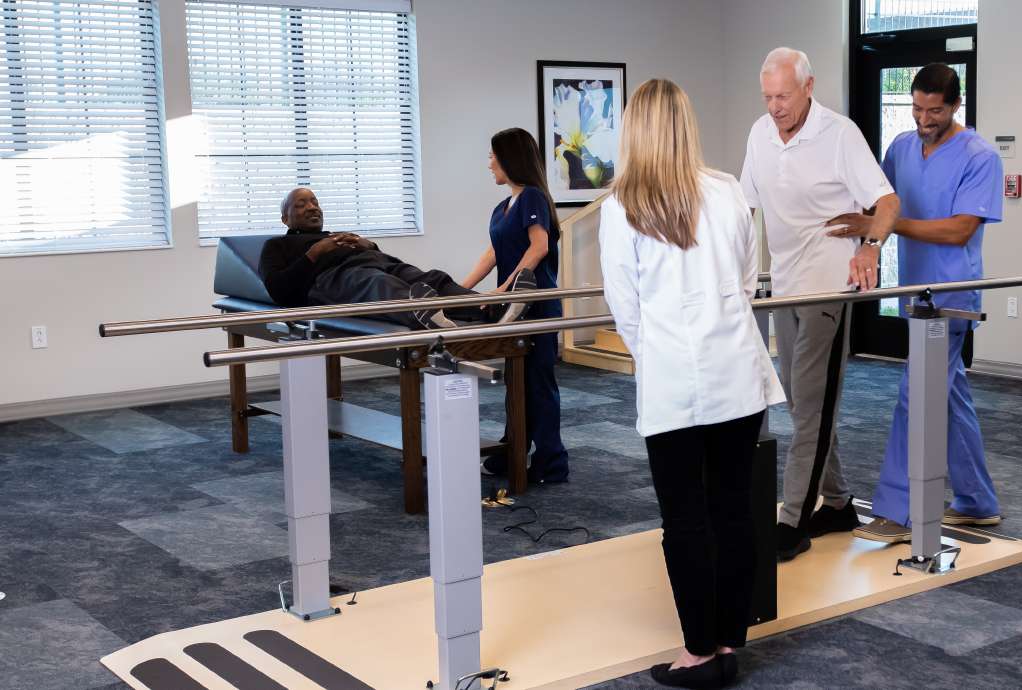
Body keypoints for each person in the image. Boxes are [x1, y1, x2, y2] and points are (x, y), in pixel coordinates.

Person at [600, 78, 785, 689]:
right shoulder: (727, 192)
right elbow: (746, 274)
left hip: (674, 381)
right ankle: (729, 639)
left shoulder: (621, 207)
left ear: (634, 130)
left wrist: (658, 356)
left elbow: (623, 308)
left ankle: (699, 653)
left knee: (684, 520)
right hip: (737, 372)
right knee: (734, 509)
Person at [829, 63, 1004, 543]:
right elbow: (880, 205)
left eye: (935, 111)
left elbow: (959, 229)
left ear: (955, 105)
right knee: (948, 395)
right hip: (914, 294)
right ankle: (977, 500)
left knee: (916, 396)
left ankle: (898, 513)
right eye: (917, 108)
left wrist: (885, 228)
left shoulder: (980, 156)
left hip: (952, 298)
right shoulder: (902, 148)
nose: (923, 119)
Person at [740, 47, 900, 561]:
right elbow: (745, 208)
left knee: (810, 403)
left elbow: (887, 202)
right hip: (785, 284)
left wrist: (871, 248)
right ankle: (837, 502)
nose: (775, 107)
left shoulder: (839, 134)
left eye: (783, 96)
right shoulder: (760, 134)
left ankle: (793, 521)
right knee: (804, 398)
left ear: (808, 87)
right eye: (767, 96)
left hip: (830, 285)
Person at [259, 187, 535, 328]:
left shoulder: (337, 235)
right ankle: (421, 313)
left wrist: (368, 245)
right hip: (332, 282)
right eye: (301, 204)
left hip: (373, 263)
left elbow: (376, 260)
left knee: (431, 278)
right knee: (376, 282)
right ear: (285, 217)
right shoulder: (277, 245)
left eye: (315, 202)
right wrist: (314, 253)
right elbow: (279, 290)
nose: (312, 207)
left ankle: (491, 310)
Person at [461, 128, 569, 484]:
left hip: (535, 305)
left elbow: (538, 247)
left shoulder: (533, 198)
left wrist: (506, 288)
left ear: (511, 159)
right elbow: (493, 253)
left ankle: (552, 462)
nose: (489, 162)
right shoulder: (502, 207)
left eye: (494, 155)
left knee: (538, 384)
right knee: (516, 384)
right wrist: (459, 289)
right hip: (512, 309)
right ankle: (513, 452)